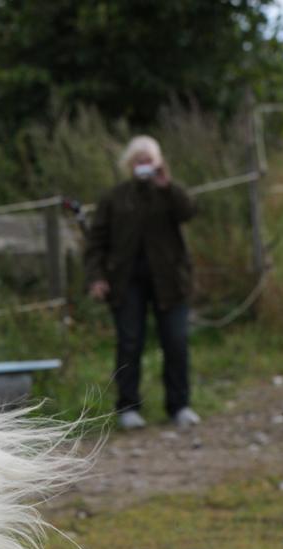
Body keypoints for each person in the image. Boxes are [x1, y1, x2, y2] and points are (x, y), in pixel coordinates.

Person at [85, 135, 200, 430]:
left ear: (159, 162)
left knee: (176, 342)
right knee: (129, 343)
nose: (144, 166)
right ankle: (127, 407)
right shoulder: (115, 197)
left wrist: (168, 186)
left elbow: (189, 211)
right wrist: (97, 277)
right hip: (126, 284)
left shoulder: (169, 193)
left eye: (149, 160)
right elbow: (96, 241)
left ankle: (180, 405)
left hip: (171, 282)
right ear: (129, 164)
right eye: (139, 161)